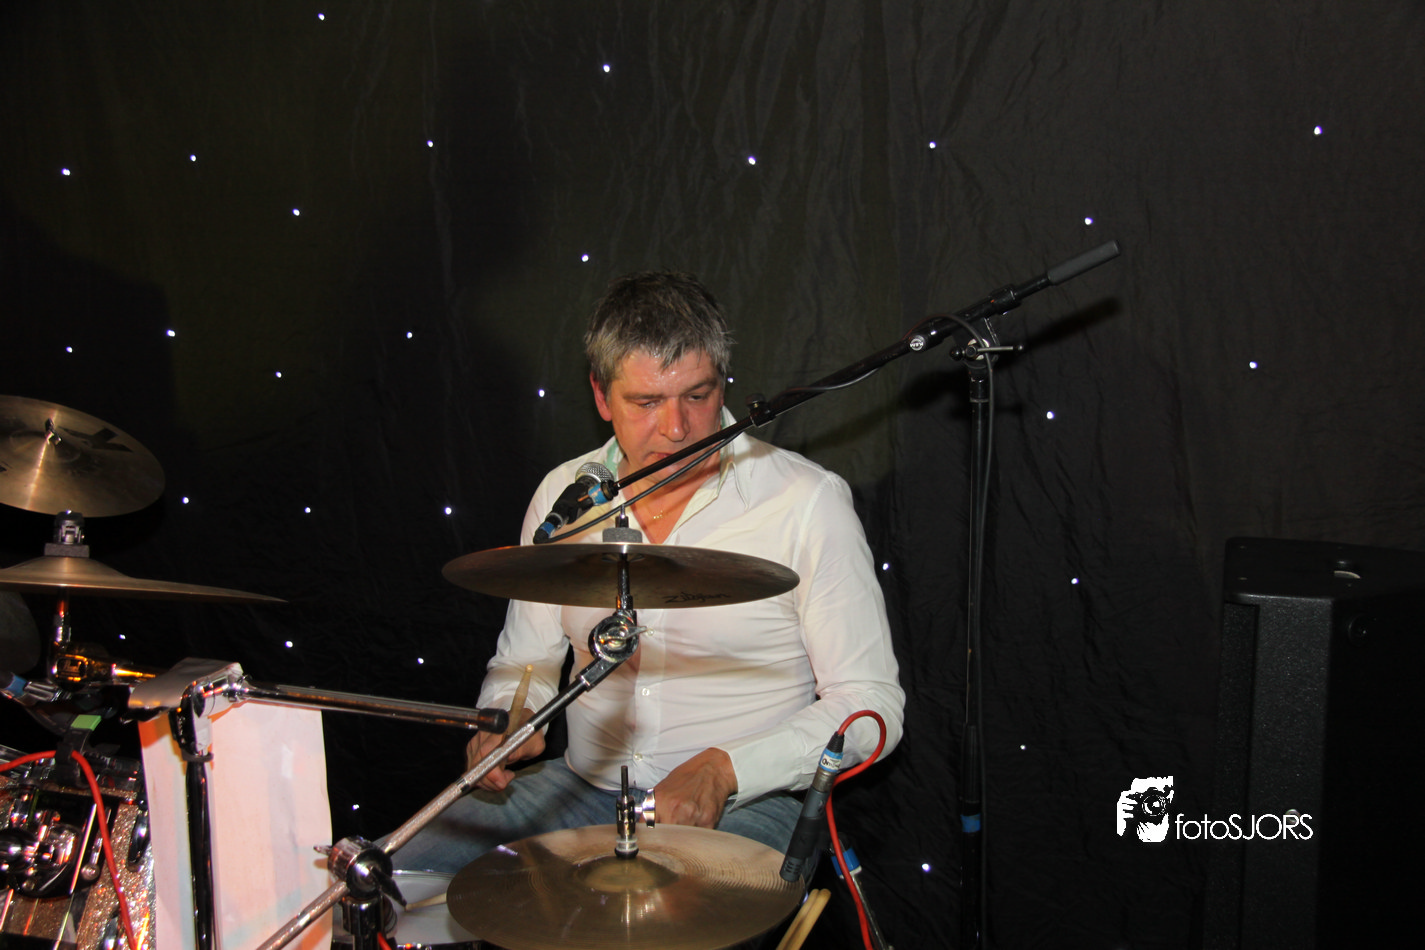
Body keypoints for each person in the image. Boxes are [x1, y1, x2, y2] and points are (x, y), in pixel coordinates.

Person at [396, 271, 903, 873]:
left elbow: (872, 706)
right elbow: (524, 661)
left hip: (746, 802)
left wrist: (727, 768)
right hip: (578, 788)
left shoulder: (807, 501)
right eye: (646, 403)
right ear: (601, 396)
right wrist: (512, 714)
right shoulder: (563, 497)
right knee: (396, 878)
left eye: (698, 395)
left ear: (723, 383)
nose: (676, 429)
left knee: (668, 913)